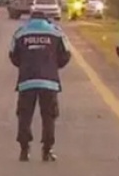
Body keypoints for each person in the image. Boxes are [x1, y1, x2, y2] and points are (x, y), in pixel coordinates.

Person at [8, 11, 71, 161]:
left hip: (26, 81)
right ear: (46, 20)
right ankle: (47, 150)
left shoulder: (20, 32)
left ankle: (24, 150)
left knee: (24, 115)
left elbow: (13, 55)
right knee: (49, 116)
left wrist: (24, 65)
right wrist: (54, 66)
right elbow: (66, 54)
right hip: (49, 81)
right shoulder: (56, 32)